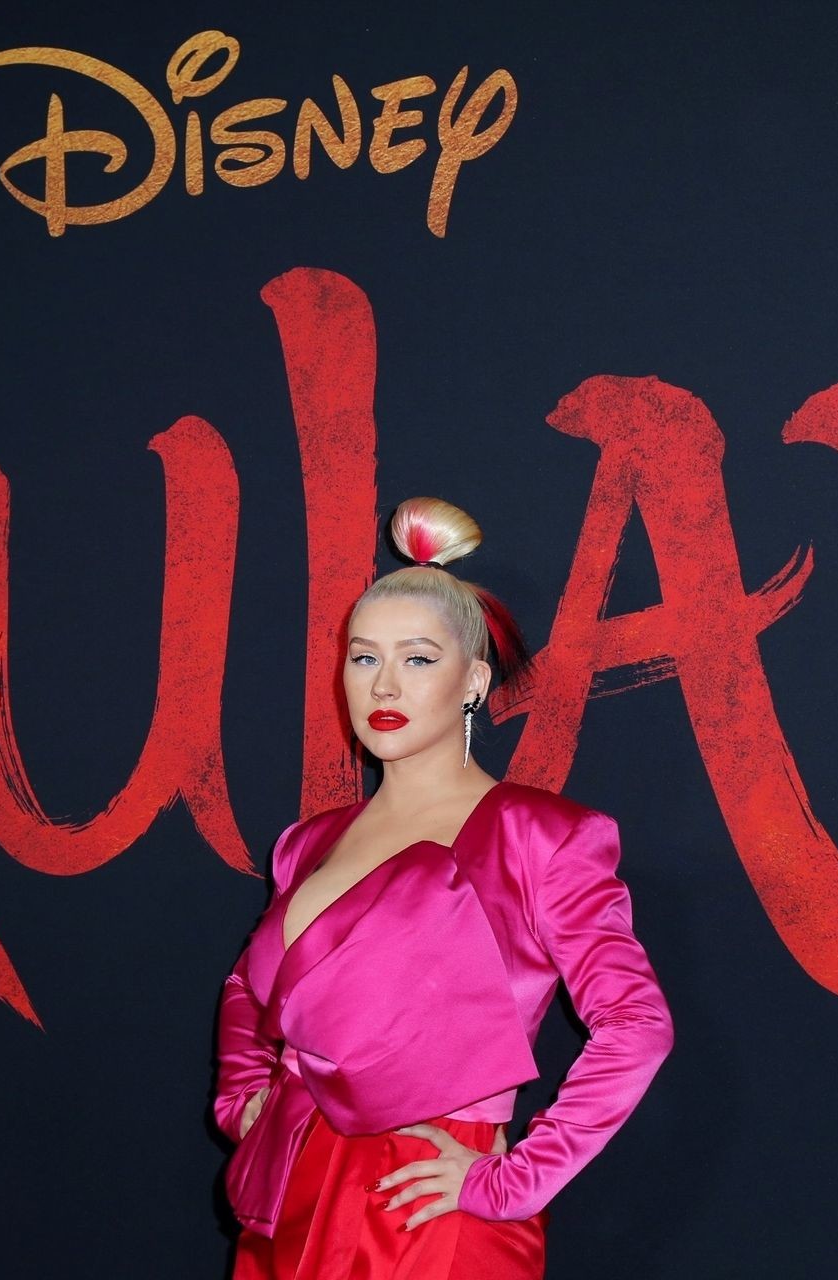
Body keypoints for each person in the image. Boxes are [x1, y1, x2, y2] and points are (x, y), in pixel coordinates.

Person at [213, 496, 674, 1278]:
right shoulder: (307, 844)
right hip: (287, 1191)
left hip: (426, 1210)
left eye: (418, 659)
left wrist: (515, 1180)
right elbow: (247, 991)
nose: (385, 686)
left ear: (474, 680)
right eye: (364, 658)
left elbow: (636, 1024)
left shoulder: (540, 835)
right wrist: (245, 1099)